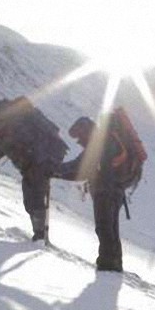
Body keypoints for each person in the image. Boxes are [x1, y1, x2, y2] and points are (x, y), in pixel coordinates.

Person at [0, 98, 65, 241]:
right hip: (42, 161)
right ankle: (40, 235)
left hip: (38, 162)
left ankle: (40, 236)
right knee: (32, 200)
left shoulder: (8, 131)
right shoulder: (9, 129)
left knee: (34, 199)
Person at [54, 116, 140, 272]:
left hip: (105, 192)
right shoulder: (106, 143)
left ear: (85, 131)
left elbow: (78, 165)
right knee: (112, 228)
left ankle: (107, 265)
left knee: (104, 227)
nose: (79, 142)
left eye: (79, 137)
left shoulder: (98, 144)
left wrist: (53, 169)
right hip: (116, 191)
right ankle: (115, 264)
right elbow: (82, 172)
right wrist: (57, 173)